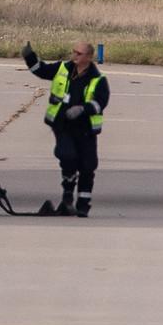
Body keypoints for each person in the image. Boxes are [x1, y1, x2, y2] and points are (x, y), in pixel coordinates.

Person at [23, 40, 110, 217]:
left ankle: (83, 205)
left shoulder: (98, 79)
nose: (74, 56)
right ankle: (68, 193)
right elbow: (41, 70)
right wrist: (29, 56)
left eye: (79, 54)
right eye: (73, 52)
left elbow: (101, 102)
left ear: (89, 57)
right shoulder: (63, 68)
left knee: (87, 166)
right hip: (63, 126)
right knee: (67, 156)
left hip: (85, 129)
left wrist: (82, 109)